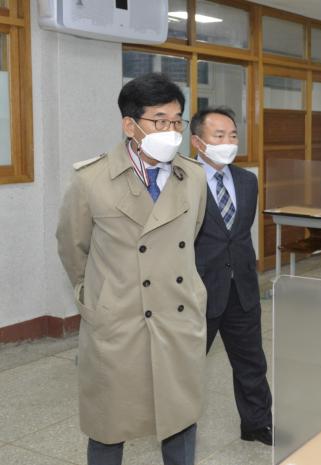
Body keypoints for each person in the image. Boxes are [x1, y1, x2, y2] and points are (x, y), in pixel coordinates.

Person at [56, 72, 208, 465]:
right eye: (160, 121)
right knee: (109, 424)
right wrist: (97, 296)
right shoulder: (91, 180)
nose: (171, 131)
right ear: (130, 125)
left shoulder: (193, 176)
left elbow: (189, 235)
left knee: (180, 419)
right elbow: (73, 247)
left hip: (177, 316)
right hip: (119, 320)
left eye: (176, 121)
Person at [191, 106, 273, 445]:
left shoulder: (247, 181)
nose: (228, 142)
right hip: (199, 290)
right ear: (197, 142)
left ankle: (257, 424)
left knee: (251, 362)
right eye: (219, 135)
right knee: (186, 367)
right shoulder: (182, 181)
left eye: (233, 135)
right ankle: (178, 433)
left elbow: (238, 235)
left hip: (242, 287)